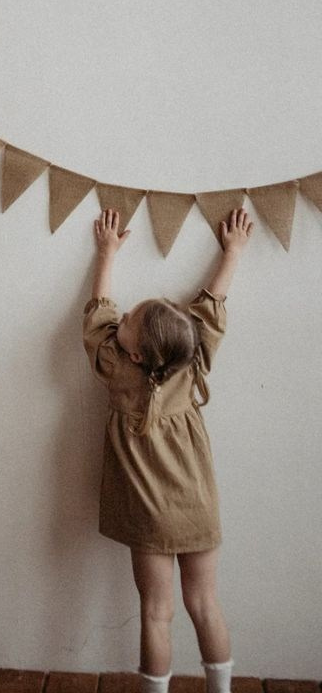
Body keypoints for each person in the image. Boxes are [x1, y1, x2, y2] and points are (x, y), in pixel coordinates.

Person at [83, 207, 253, 693]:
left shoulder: (115, 367)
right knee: (205, 604)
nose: (126, 313)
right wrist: (234, 252)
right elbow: (213, 303)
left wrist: (107, 253)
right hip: (196, 505)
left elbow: (98, 311)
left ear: (134, 353)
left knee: (156, 613)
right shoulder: (191, 356)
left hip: (147, 515)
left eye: (131, 319)